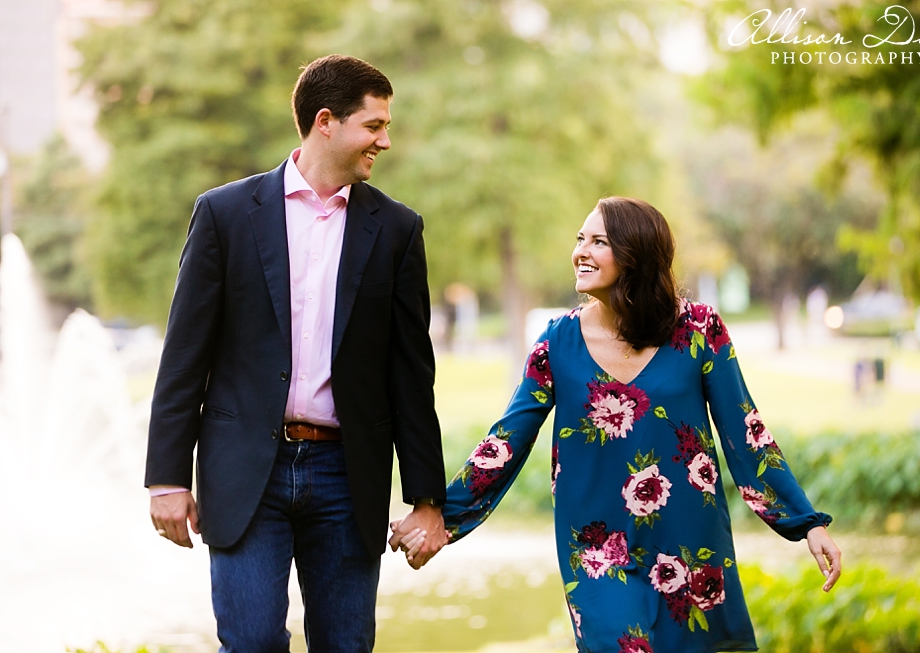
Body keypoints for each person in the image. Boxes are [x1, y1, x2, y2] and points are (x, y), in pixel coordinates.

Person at [391, 197, 841, 652]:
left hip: (690, 546)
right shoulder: (557, 343)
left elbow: (746, 433)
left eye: (599, 241)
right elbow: (505, 442)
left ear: (636, 255)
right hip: (598, 554)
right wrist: (439, 517)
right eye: (580, 239)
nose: (581, 251)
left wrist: (806, 523)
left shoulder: (700, 331)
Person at [146, 55, 448, 653]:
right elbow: (185, 355)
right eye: (375, 125)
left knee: (345, 644)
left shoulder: (396, 230)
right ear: (326, 122)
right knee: (252, 641)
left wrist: (427, 499)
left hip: (347, 474)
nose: (385, 141)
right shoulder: (224, 215)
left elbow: (411, 374)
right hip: (244, 473)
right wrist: (165, 478)